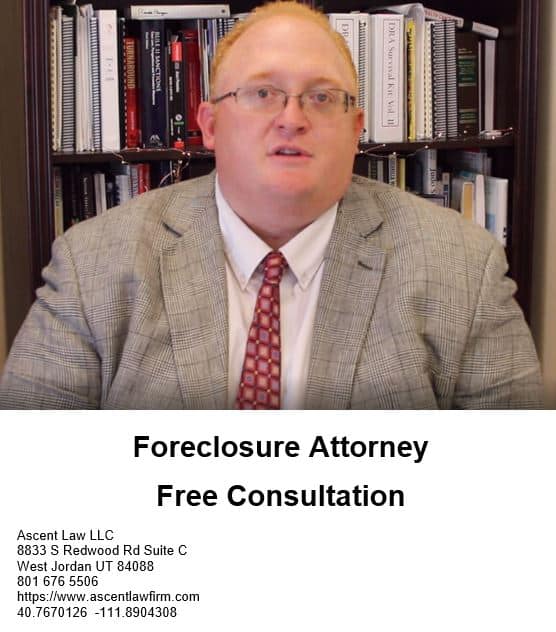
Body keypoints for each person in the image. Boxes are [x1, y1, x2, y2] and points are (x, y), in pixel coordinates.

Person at [0, 1, 542, 409]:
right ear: (210, 125)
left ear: (355, 130)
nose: (292, 118)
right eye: (262, 93)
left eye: (321, 97)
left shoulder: (461, 266)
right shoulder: (94, 263)